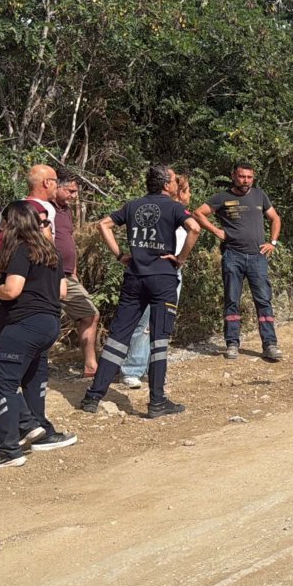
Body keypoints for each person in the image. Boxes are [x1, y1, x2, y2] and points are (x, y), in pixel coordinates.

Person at [80, 165, 199, 418]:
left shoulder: (133, 205)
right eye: (175, 181)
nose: (178, 185)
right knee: (159, 339)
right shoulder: (175, 208)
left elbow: (104, 224)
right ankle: (157, 401)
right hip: (163, 278)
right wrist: (180, 258)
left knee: (118, 337)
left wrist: (120, 255)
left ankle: (93, 397)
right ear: (166, 185)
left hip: (134, 276)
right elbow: (195, 229)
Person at [0, 201, 79, 469]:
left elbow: (11, 290)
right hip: (49, 323)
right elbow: (63, 292)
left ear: (14, 224)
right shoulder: (50, 252)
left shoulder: (21, 250)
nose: (2, 227)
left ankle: (11, 448)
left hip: (23, 324)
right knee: (23, 379)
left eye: (5, 222)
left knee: (2, 382)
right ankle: (29, 425)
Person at [193, 163, 284, 361]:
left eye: (249, 177)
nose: (245, 181)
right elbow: (198, 213)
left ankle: (270, 345)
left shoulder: (260, 195)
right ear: (233, 175)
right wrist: (216, 231)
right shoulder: (222, 197)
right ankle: (232, 344)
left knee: (263, 301)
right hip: (232, 256)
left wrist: (273, 242)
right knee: (232, 300)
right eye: (242, 177)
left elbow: (275, 219)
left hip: (257, 257)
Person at [119, 173, 192, 389]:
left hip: (172, 270)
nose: (190, 195)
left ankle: (154, 369)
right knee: (145, 322)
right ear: (177, 191)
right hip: (156, 270)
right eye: (187, 191)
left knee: (162, 323)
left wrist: (180, 261)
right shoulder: (166, 210)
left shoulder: (179, 212)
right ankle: (132, 368)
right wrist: (180, 259)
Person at [52, 171, 101, 377]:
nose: (74, 196)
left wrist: (73, 271)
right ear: (55, 186)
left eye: (75, 192)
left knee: (90, 314)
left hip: (67, 275)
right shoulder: (42, 209)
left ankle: (91, 365)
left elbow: (68, 240)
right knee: (38, 321)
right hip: (47, 274)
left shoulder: (66, 211)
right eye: (70, 191)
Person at [0, 164, 59, 249]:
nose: (57, 185)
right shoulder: (46, 208)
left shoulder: (13, 208)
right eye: (56, 181)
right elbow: (47, 245)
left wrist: (2, 253)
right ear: (47, 182)